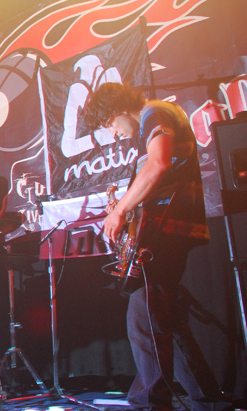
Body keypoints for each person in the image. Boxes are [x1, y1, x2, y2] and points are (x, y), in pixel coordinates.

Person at [83, 82, 229, 411]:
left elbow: (159, 163)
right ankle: (208, 401)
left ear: (119, 109)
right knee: (166, 320)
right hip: (170, 230)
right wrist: (127, 203)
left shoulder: (155, 111)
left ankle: (151, 403)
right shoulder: (156, 118)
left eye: (109, 123)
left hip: (166, 232)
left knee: (144, 320)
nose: (113, 134)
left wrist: (120, 210)